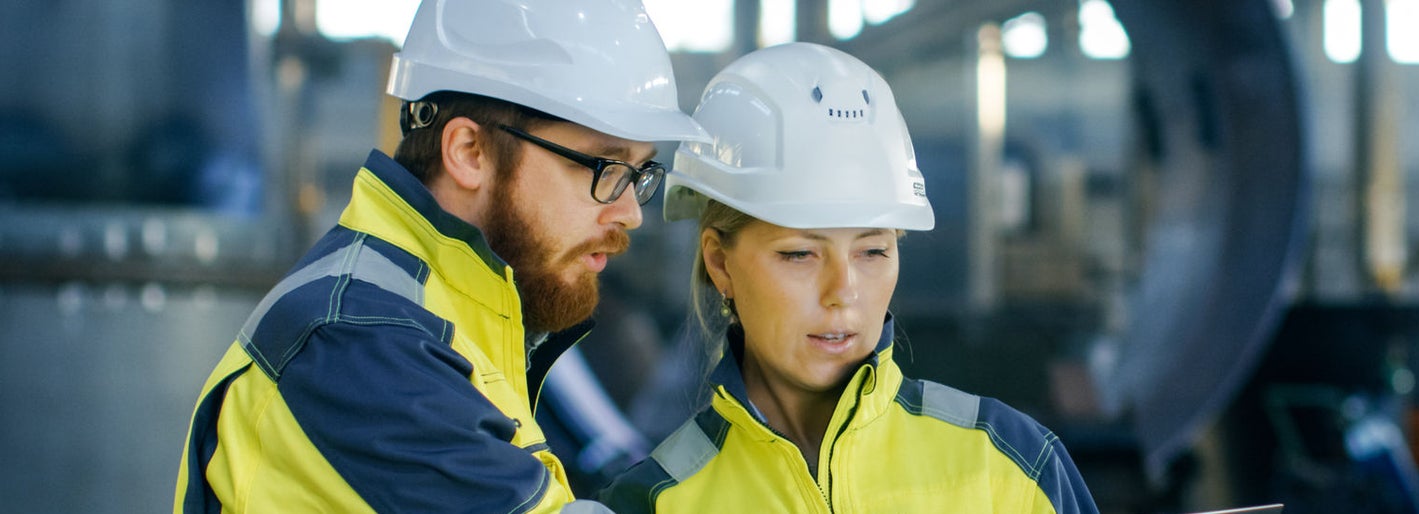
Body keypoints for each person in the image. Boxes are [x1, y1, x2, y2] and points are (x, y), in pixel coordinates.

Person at [172, 0, 707, 512]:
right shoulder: (358, 340)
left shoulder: (457, 316)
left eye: (639, 174)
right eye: (605, 169)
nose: (631, 214)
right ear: (469, 153)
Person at [596, 42, 1098, 513]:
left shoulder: (1015, 465)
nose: (844, 292)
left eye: (874, 250)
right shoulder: (657, 501)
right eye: (799, 255)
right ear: (720, 263)